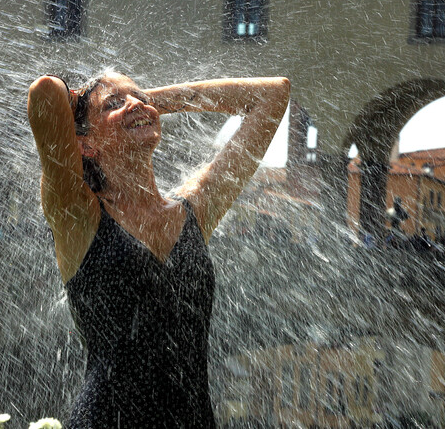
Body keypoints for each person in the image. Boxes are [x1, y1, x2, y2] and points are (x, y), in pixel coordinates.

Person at [27, 71, 290, 428]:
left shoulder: (193, 210)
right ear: (85, 144)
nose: (135, 103)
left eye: (139, 96)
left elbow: (274, 95)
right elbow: (45, 93)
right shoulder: (76, 213)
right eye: (114, 104)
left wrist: (151, 105)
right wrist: (127, 106)